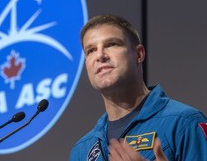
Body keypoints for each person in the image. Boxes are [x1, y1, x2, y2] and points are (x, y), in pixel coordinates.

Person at [69, 14, 207, 161]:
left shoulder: (185, 123)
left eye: (112, 44)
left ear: (139, 54)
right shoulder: (82, 150)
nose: (100, 56)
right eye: (91, 50)